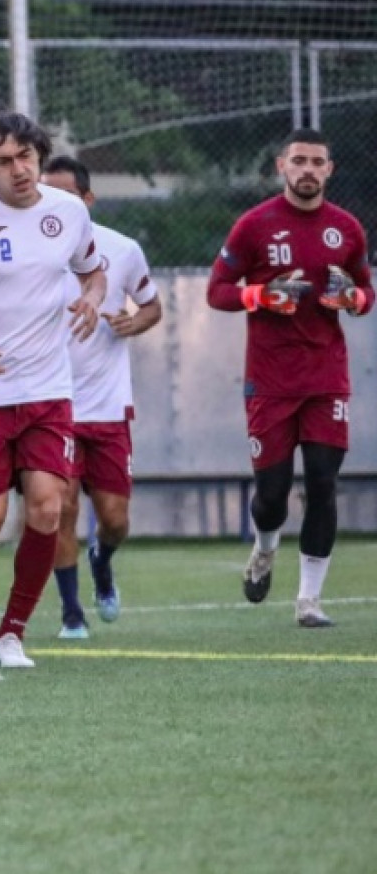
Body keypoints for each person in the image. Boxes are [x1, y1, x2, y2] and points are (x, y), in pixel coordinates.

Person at [0, 112, 106, 669]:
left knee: (47, 509)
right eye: (4, 162)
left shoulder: (69, 212)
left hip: (48, 389)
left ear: (39, 156)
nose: (18, 170)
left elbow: (93, 271)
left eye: (25, 158)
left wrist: (93, 297)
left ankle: (12, 634)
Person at [207, 129, 371, 627]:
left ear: (329, 170)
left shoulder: (346, 229)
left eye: (316, 162)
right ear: (282, 166)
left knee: (322, 483)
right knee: (273, 494)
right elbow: (217, 291)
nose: (307, 170)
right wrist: (260, 294)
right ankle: (263, 552)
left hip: (326, 378)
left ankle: (309, 601)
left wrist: (353, 301)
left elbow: (364, 290)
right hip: (270, 381)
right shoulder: (254, 226)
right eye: (298, 160)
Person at [40, 155, 161, 638]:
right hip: (53, 405)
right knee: (61, 509)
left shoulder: (122, 250)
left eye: (66, 196)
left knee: (114, 520)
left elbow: (151, 306)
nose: (55, 206)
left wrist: (135, 321)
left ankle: (102, 560)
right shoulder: (32, 251)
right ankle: (72, 612)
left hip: (109, 408)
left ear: (87, 201)